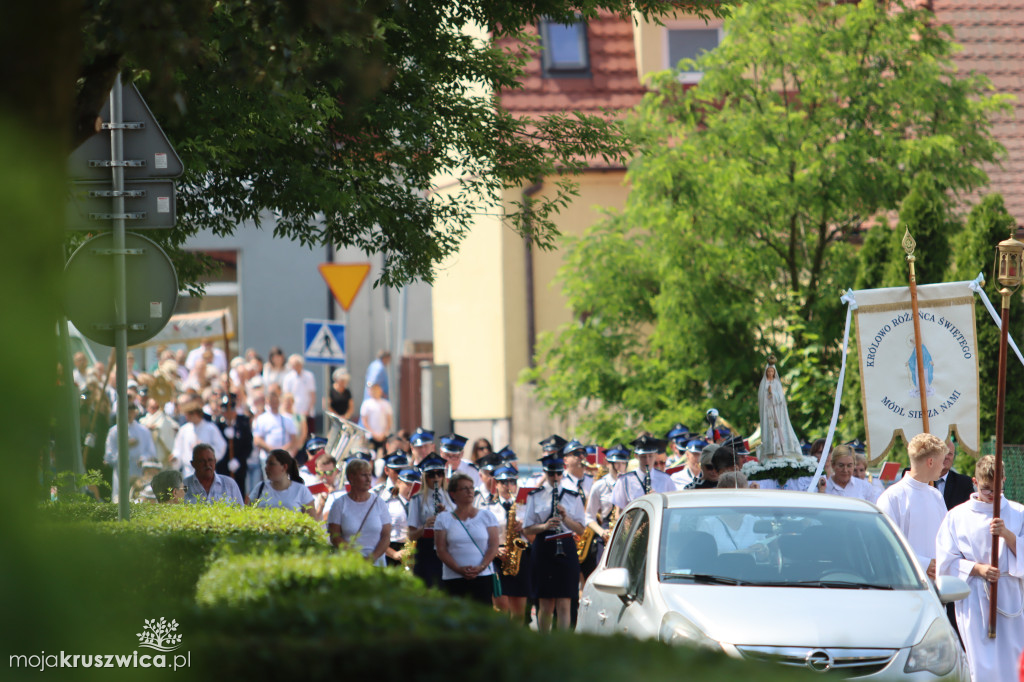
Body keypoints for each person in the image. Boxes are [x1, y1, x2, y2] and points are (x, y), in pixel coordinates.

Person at [936, 455, 1024, 681]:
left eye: (997, 489)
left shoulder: (1018, 512)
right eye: (986, 490)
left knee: (1013, 658)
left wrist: (1008, 535)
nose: (992, 496)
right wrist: (977, 569)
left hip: (1010, 594)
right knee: (980, 661)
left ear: (1003, 480)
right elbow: (946, 559)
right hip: (974, 595)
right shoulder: (957, 515)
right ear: (975, 482)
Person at [522, 455, 585, 632]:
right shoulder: (536, 495)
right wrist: (545, 526)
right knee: (546, 602)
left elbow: (580, 529)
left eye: (558, 473)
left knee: (565, 601)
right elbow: (527, 529)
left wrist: (565, 518)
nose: (555, 478)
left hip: (565, 545)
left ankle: (562, 642)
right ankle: (544, 641)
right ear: (546, 473)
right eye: (551, 474)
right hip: (544, 547)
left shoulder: (573, 496)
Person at [875, 432, 947, 579]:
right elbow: (885, 546)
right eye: (942, 461)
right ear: (931, 462)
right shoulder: (892, 497)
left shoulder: (936, 495)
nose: (944, 466)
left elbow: (946, 538)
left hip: (937, 585)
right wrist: (924, 564)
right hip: (904, 583)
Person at [435, 472, 500, 605]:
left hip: (482, 576)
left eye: (471, 488)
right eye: (464, 488)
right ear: (453, 494)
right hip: (454, 577)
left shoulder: (486, 516)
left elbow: (493, 545)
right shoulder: (443, 518)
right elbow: (441, 549)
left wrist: (481, 567)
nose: (469, 491)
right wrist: (459, 569)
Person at [485, 465, 531, 621]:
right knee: (501, 607)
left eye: (511, 482)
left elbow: (532, 537)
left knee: (519, 609)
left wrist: (523, 527)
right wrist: (496, 550)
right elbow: (481, 536)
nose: (507, 486)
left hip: (519, 557)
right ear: (496, 484)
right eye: (503, 482)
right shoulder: (488, 507)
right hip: (498, 557)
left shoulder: (524, 506)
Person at [326, 458, 391, 565]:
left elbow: (386, 535)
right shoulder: (339, 504)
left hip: (376, 565)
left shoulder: (379, 503)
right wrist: (356, 557)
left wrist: (372, 557)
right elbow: (335, 536)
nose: (368, 479)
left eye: (369, 475)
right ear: (351, 477)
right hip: (350, 563)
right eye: (363, 475)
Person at [583, 443, 630, 578]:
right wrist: (602, 532)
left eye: (623, 463)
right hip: (606, 534)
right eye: (616, 464)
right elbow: (589, 517)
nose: (619, 467)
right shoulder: (599, 486)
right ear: (608, 464)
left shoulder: (632, 484)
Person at [407, 454, 454, 586]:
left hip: (449, 548)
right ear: (424, 477)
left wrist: (448, 517)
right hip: (427, 551)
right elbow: (411, 535)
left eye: (440, 473)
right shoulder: (416, 499)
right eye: (431, 475)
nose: (436, 478)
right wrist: (425, 526)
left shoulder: (451, 497)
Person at [103, 401, 155, 503]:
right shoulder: (114, 431)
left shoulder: (143, 431)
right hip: (121, 471)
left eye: (131, 412)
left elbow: (151, 452)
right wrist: (125, 446)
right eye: (126, 412)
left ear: (135, 413)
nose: (129, 415)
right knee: (120, 500)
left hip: (139, 470)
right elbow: (109, 456)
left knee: (139, 498)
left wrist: (143, 459)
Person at [250, 385, 299, 493]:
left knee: (284, 483)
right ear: (268, 401)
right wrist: (271, 450)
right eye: (272, 400)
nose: (274, 402)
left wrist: (283, 450)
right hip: (267, 457)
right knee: (270, 483)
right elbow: (257, 439)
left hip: (283, 457)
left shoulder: (287, 419)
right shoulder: (262, 419)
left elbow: (293, 438)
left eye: (276, 400)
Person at [611, 435, 676, 511]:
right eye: (643, 457)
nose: (647, 461)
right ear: (636, 456)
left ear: (655, 455)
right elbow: (618, 512)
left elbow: (673, 507)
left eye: (650, 456)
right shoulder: (624, 480)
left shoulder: (665, 479)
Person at [756, 356, 802, 460]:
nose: (770, 373)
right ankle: (770, 453)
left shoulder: (776, 383)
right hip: (768, 412)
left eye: (772, 371)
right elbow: (762, 399)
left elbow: (780, 397)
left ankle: (781, 451)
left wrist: (772, 394)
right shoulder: (763, 384)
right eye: (769, 371)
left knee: (778, 430)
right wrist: (767, 395)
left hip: (777, 411)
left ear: (774, 372)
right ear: (766, 372)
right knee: (770, 431)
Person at [249, 449, 315, 516]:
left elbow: (312, 520)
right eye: (266, 464)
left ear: (284, 467)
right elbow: (247, 513)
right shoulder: (260, 487)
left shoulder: (301, 490)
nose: (266, 468)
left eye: (271, 464)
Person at [171, 399, 227, 477]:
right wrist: (176, 458)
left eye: (188, 415)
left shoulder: (211, 428)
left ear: (196, 414)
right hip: (188, 471)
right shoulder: (184, 429)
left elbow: (221, 446)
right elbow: (178, 448)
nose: (186, 417)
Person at [215, 392, 252, 494]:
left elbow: (248, 445)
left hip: (239, 467)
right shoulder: (218, 424)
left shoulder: (243, 422)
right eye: (225, 409)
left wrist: (238, 460)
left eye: (230, 409)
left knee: (239, 493)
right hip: (223, 467)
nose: (228, 412)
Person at [384, 467, 420, 567]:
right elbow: (378, 535)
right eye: (408, 484)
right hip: (393, 551)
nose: (411, 489)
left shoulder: (422, 505)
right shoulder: (389, 505)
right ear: (399, 482)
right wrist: (393, 553)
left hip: (416, 551)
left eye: (415, 486)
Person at [282, 354, 316, 436]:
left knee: (308, 436)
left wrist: (308, 410)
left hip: (306, 412)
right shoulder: (288, 378)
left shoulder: (309, 376)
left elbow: (312, 394)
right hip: (294, 413)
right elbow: (286, 395)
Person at [937, 439, 974, 510]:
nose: (946, 457)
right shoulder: (923, 480)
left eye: (950, 454)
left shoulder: (964, 483)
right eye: (943, 452)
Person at [359, 381, 392, 455]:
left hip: (384, 435)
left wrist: (383, 433)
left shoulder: (386, 403)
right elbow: (364, 421)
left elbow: (389, 420)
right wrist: (374, 434)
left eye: (376, 389)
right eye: (372, 389)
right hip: (371, 436)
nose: (374, 391)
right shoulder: (366, 404)